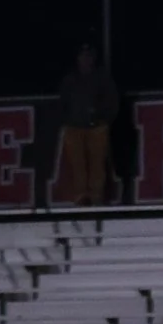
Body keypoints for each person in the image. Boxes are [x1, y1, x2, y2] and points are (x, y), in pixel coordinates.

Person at [54, 45, 119, 206]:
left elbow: (112, 101)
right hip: (74, 129)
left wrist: (104, 119)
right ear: (77, 58)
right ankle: (81, 197)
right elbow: (62, 103)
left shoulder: (102, 78)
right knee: (77, 165)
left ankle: (96, 198)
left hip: (97, 129)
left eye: (89, 56)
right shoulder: (70, 80)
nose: (86, 59)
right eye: (83, 56)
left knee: (97, 166)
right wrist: (66, 120)